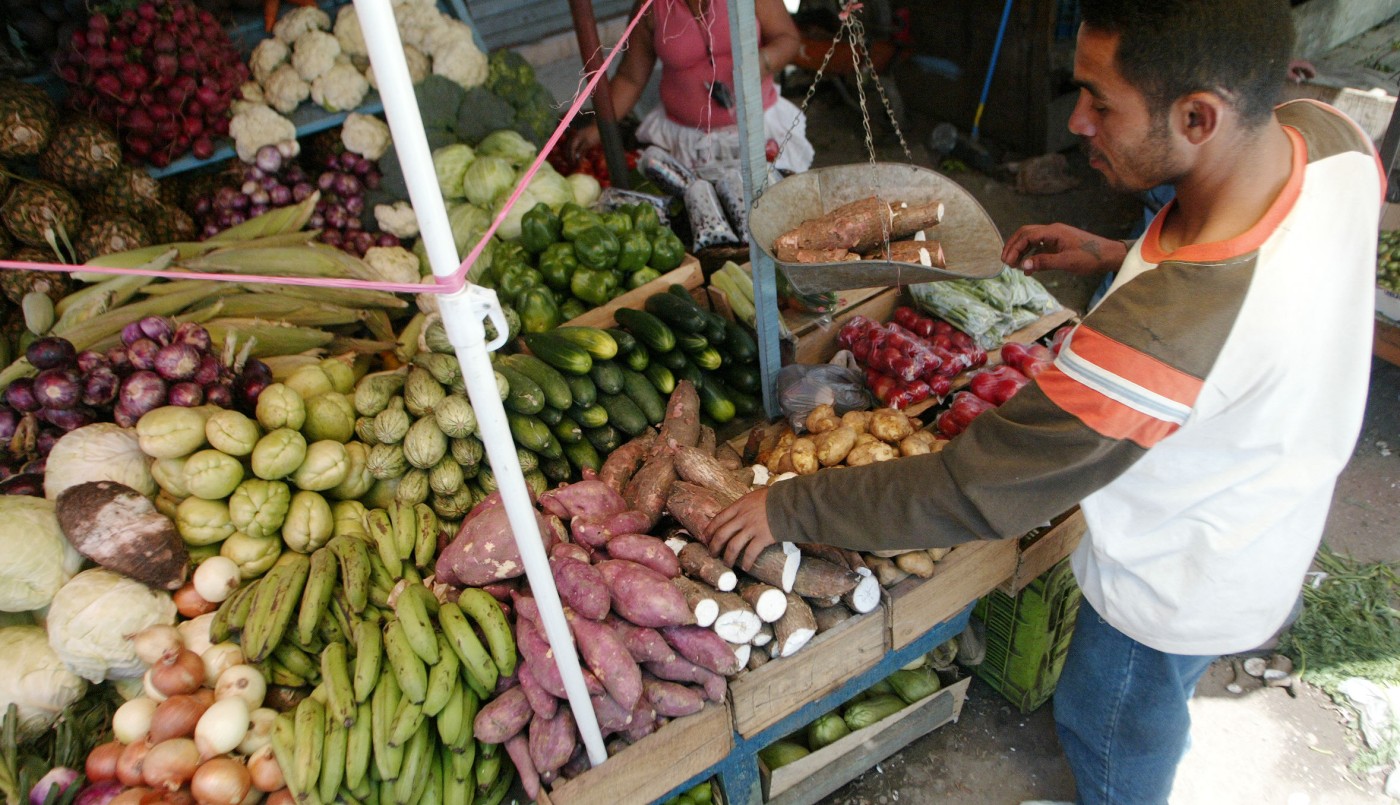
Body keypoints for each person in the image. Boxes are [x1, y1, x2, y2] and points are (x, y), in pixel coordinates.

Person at [705, 1, 1382, 802]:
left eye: (1101, 100)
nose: (1080, 121)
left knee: (1110, 727)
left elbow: (970, 488)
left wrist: (789, 507)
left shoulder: (1161, 333)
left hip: (1173, 582)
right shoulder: (1332, 142)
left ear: (1199, 116)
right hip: (1270, 512)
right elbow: (1251, 265)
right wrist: (1122, 254)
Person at [568, 0, 814, 174]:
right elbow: (630, 78)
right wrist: (598, 128)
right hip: (686, 144)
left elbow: (788, 38)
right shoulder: (651, 7)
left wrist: (764, 61)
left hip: (758, 131)